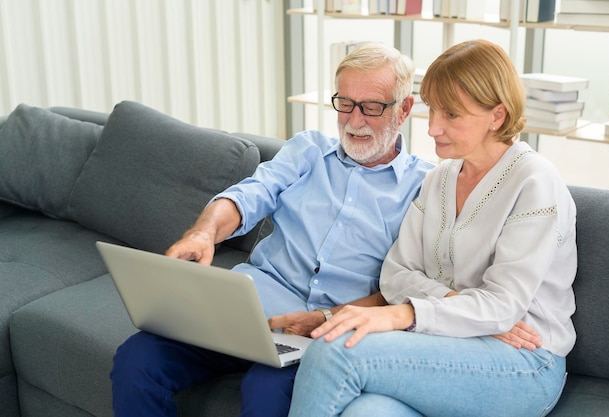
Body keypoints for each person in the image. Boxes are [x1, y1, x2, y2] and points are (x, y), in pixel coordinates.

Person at [109, 42, 436, 417]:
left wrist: (327, 318)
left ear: (405, 109)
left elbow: (404, 290)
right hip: (245, 311)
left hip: (320, 334)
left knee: (267, 394)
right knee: (138, 359)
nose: (354, 120)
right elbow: (249, 195)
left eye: (371, 107)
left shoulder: (424, 188)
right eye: (344, 103)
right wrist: (203, 232)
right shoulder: (308, 150)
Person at [287, 39, 577, 417]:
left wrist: (404, 313)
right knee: (367, 412)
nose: (433, 128)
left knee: (335, 350)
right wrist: (462, 306)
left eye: (452, 115)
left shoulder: (534, 182)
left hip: (523, 362)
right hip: (446, 341)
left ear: (497, 116)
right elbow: (395, 275)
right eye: (433, 111)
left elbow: (504, 306)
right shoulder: (439, 178)